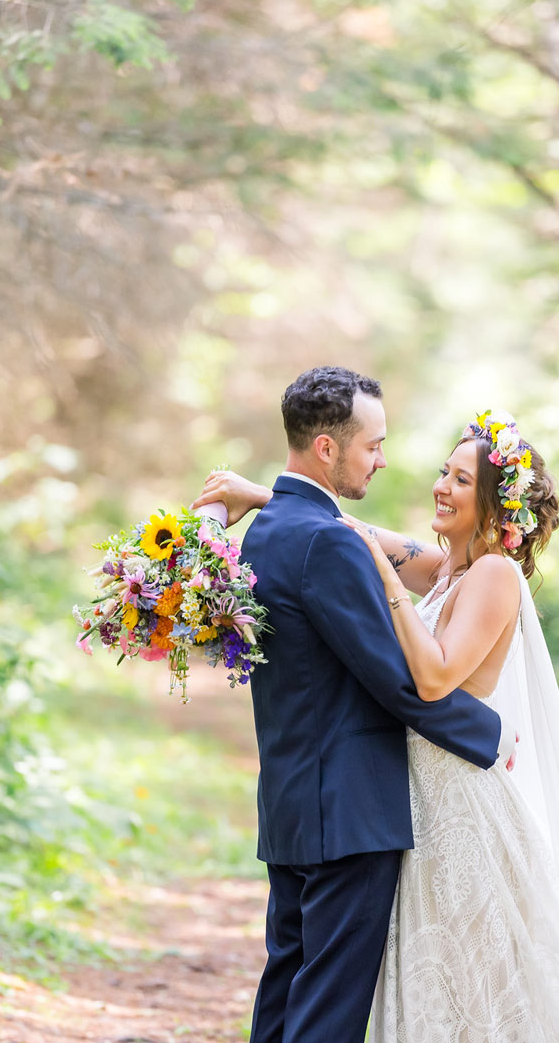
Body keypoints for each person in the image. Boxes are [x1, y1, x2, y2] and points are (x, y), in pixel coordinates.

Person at [197, 407, 559, 1043]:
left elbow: (433, 676)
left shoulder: (495, 575)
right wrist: (263, 496)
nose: (440, 487)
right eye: (442, 472)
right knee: (433, 981)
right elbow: (355, 530)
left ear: (496, 510)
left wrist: (390, 590)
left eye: (459, 481)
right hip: (417, 795)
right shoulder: (448, 568)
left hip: (461, 803)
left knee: (481, 982)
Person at [199, 366, 513, 1043]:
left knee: (286, 989)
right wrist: (492, 736)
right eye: (373, 445)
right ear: (326, 449)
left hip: (290, 800)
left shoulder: (266, 530)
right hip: (349, 815)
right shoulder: (329, 542)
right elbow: (398, 681)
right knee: (327, 1013)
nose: (383, 458)